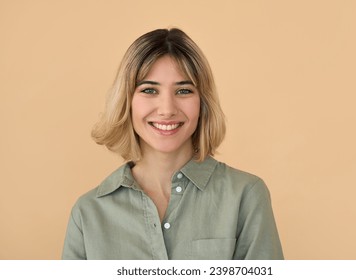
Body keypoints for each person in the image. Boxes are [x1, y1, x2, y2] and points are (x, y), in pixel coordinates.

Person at [62, 28, 284, 260]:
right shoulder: (88, 213)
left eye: (183, 90)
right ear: (127, 102)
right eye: (149, 90)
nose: (167, 109)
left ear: (202, 103)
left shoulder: (245, 196)